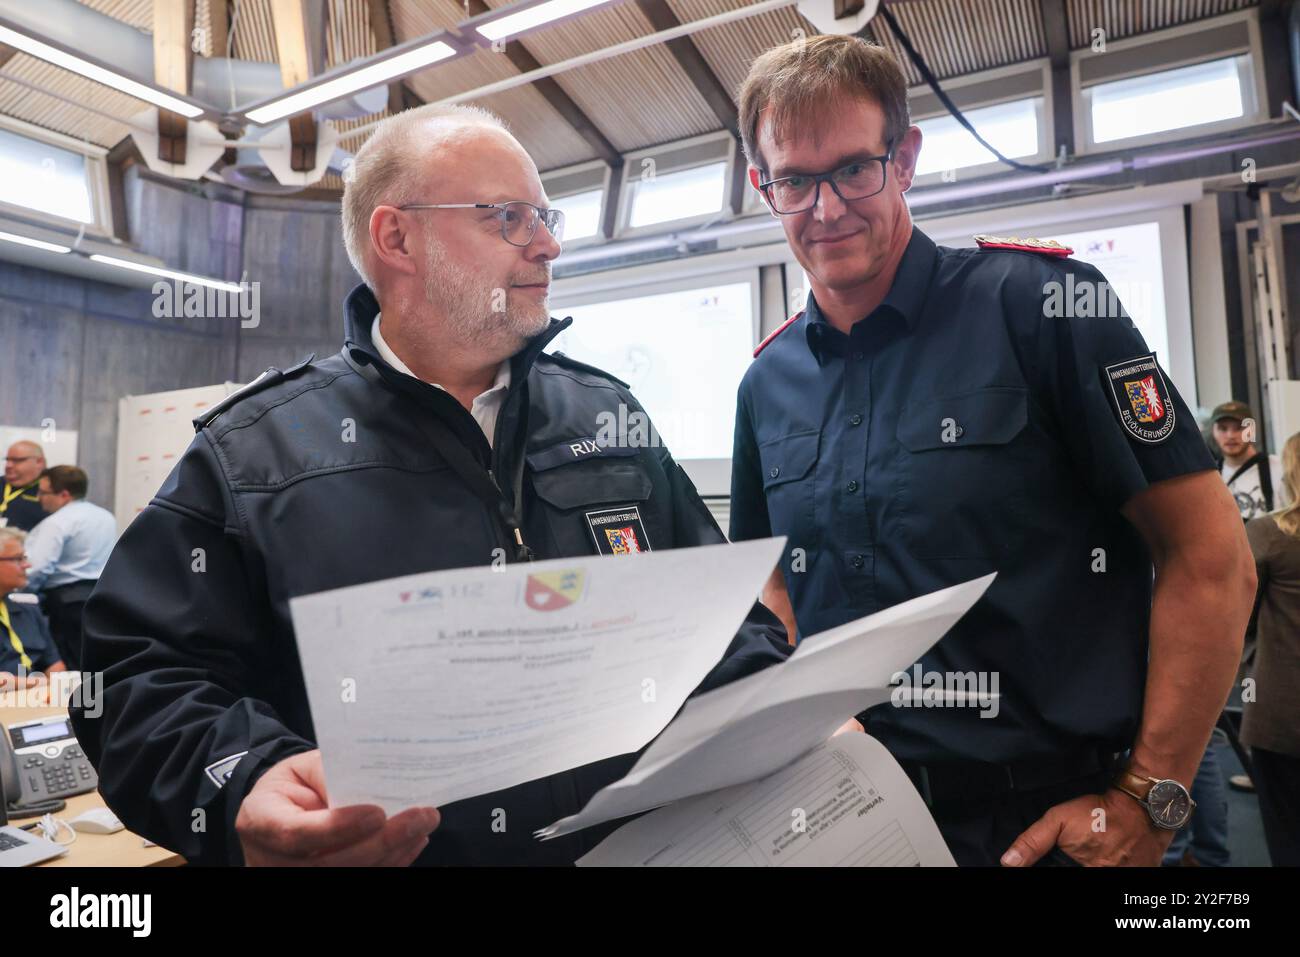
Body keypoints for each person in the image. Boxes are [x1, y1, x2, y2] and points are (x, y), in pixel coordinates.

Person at [70, 103, 795, 867]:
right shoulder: (254, 454)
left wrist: (786, 704)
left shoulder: (607, 413)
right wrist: (242, 778)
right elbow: (132, 678)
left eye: (544, 216)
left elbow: (720, 622)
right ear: (397, 238)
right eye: (509, 217)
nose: (548, 244)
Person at [728, 34, 1256, 867]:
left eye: (853, 170)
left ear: (904, 159)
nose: (824, 209)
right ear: (764, 185)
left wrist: (1151, 799)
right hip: (847, 822)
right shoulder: (766, 383)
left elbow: (1210, 555)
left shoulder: (1047, 308)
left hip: (1045, 829)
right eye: (793, 179)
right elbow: (772, 578)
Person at [1242, 431, 1300, 866]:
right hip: (1280, 713)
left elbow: (1239, 620)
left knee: (1285, 838)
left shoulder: (1266, 535)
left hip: (1282, 714)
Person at [22, 466, 116, 671]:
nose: (38, 498)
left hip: (66, 602)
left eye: (43, 492)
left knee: (69, 666)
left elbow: (37, 568)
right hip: (101, 596)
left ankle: (73, 703)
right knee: (93, 662)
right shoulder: (106, 517)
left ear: (64, 494)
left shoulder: (56, 523)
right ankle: (93, 703)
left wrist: (22, 595)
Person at [0, 527, 65, 690]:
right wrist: (41, 684)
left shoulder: (28, 608)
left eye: (25, 558)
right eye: (18, 559)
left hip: (36, 703)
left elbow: (54, 664)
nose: (27, 565)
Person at [1211, 401, 1281, 521]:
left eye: (1239, 428)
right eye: (1223, 428)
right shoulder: (1210, 476)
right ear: (1213, 431)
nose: (1230, 435)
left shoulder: (1279, 468)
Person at [1, 441, 47, 532]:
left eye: (17, 460)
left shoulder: (51, 491)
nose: (8, 465)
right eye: (7, 460)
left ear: (39, 462)